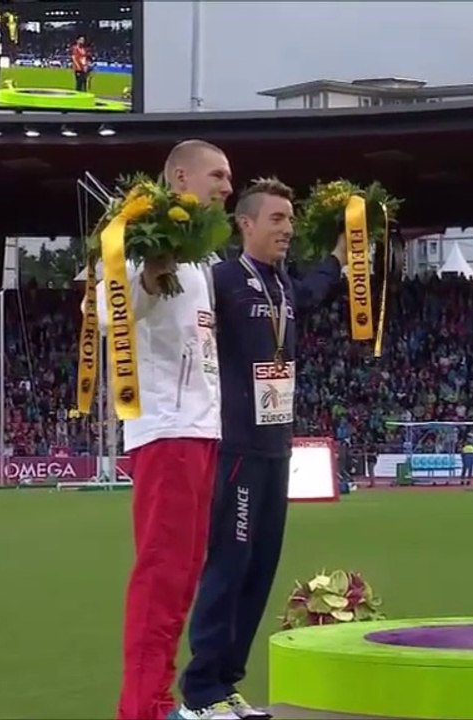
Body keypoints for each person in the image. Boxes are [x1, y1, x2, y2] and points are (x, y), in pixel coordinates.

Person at [175, 178, 345, 720]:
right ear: (245, 224)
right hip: (237, 447)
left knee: (260, 568)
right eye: (277, 219)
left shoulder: (283, 288)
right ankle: (200, 690)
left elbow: (315, 287)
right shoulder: (221, 280)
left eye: (291, 220)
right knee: (230, 563)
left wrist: (342, 254)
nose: (288, 229)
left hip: (277, 446)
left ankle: (226, 685)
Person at [110, 139, 233, 720]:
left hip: (201, 428)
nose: (228, 187)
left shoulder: (201, 258)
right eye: (219, 175)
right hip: (166, 429)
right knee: (162, 575)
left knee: (184, 576)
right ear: (180, 176)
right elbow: (104, 314)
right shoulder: (140, 238)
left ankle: (158, 700)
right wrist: (148, 273)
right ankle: (141, 708)